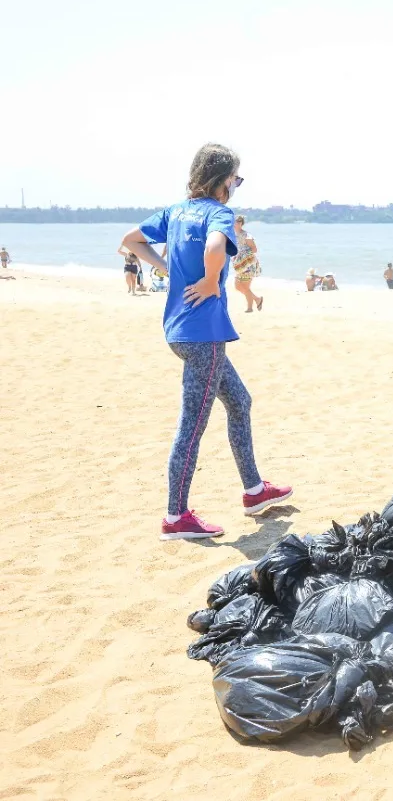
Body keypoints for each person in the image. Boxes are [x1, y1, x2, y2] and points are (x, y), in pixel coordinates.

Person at [118, 142, 292, 541]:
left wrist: (169, 269)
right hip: (203, 335)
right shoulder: (219, 213)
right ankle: (175, 517)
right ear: (223, 180)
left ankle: (254, 491)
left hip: (182, 329)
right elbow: (215, 246)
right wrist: (211, 279)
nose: (236, 186)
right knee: (192, 425)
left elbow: (130, 239)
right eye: (236, 179)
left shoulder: (174, 213)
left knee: (240, 402)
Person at [231, 215, 264, 313]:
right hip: (239, 264)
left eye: (237, 222)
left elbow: (254, 249)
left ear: (241, 223)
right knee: (237, 286)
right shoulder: (233, 235)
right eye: (234, 222)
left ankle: (250, 308)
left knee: (245, 287)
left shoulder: (247, 235)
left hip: (248, 264)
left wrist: (242, 254)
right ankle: (257, 299)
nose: (234, 224)